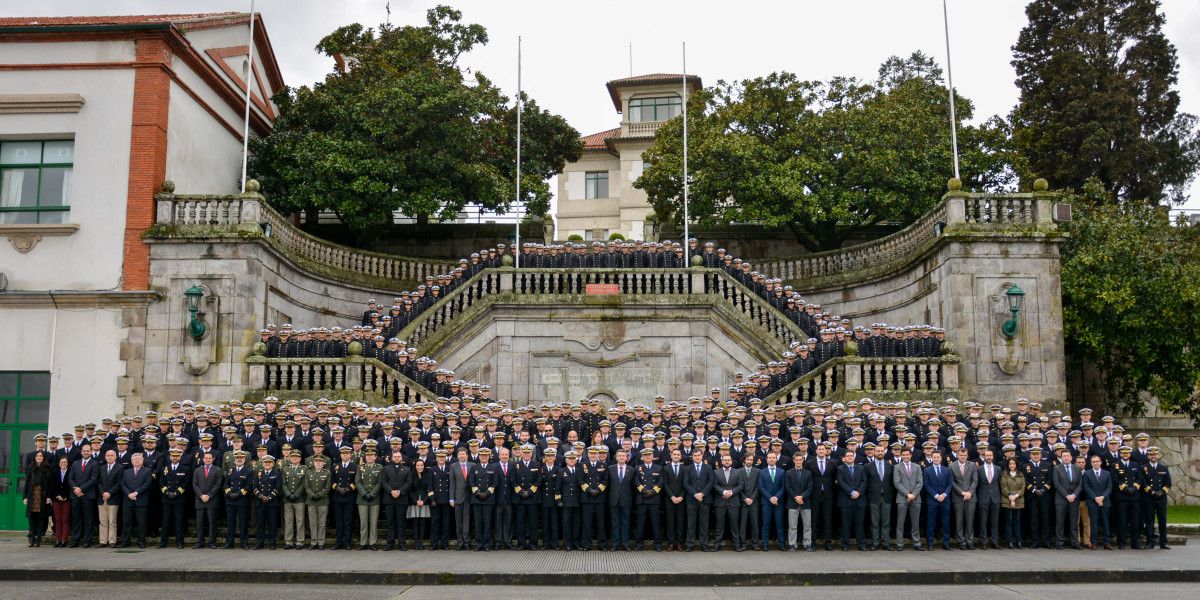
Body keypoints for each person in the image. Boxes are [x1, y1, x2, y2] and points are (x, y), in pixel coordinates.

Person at [683, 447, 714, 552]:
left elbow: (711, 482)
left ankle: (704, 544)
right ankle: (690, 544)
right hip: (692, 500)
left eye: (699, 455)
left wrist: (702, 494)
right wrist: (695, 494)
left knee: (704, 523)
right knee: (691, 523)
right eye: (695, 455)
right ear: (692, 457)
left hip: (705, 500)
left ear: (702, 456)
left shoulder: (708, 468)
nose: (697, 457)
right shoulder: (687, 468)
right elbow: (686, 483)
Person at [893, 447, 924, 551]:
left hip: (916, 498)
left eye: (907, 455)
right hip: (902, 498)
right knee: (900, 522)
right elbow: (897, 483)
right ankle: (900, 543)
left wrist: (914, 494)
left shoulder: (917, 467)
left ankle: (916, 543)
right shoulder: (897, 467)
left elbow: (920, 482)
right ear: (901, 456)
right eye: (904, 455)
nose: (906, 456)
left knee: (915, 522)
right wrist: (907, 494)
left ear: (911, 455)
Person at [865, 443, 895, 551]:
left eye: (882, 451)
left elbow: (892, 482)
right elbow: (866, 483)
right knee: (874, 522)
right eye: (878, 451)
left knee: (886, 522)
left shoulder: (890, 466)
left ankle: (886, 543)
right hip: (873, 497)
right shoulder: (868, 466)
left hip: (887, 497)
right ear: (874, 452)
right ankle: (875, 543)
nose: (880, 453)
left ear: (884, 452)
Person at [836, 449, 867, 551]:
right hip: (845, 500)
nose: (850, 457)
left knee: (860, 524)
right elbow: (841, 483)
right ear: (844, 458)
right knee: (846, 524)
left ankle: (861, 544)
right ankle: (845, 544)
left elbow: (864, 482)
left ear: (854, 457)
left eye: (851, 455)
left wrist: (858, 492)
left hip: (859, 500)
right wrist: (851, 492)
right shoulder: (840, 469)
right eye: (848, 455)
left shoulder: (861, 468)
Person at [158, 447, 189, 549]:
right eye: (173, 456)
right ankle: (163, 542)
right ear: (170, 457)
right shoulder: (164, 468)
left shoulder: (185, 469)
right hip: (167, 498)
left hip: (178, 498)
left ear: (180, 457)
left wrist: (176, 493)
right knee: (165, 521)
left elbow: (186, 483)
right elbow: (161, 482)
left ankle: (179, 542)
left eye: (177, 456)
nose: (175, 457)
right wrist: (167, 492)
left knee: (178, 521)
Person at [382, 450, 413, 550]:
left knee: (401, 523)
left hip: (402, 499)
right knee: (390, 523)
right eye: (395, 456)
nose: (396, 458)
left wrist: (400, 491)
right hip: (389, 499)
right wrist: (391, 491)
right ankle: (389, 544)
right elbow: (383, 482)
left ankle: (402, 544)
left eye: (398, 457)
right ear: (392, 458)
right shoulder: (385, 469)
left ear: (401, 458)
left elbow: (409, 483)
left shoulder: (407, 469)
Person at [1141, 447, 1171, 549]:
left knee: (1162, 521)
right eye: (1151, 454)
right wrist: (1151, 491)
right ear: (1148, 456)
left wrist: (1161, 492)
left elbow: (1168, 483)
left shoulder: (1164, 468)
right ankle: (1150, 542)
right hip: (1149, 498)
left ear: (1158, 455)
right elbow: (1143, 483)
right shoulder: (1143, 467)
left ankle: (1163, 542)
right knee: (1149, 521)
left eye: (1155, 454)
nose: (1153, 456)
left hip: (1161, 498)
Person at [192, 450, 223, 548]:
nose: (208, 460)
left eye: (210, 458)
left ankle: (212, 542)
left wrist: (209, 495)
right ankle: (199, 542)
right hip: (200, 500)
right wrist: (201, 495)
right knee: (200, 523)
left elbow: (218, 485)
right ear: (203, 459)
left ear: (213, 459)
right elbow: (194, 484)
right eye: (206, 458)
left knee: (212, 523)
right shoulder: (197, 470)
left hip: (212, 500)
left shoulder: (218, 470)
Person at [1053, 448, 1082, 550]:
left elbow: (1080, 484)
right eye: (1064, 456)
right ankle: (1059, 542)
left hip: (1074, 499)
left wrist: (1074, 495)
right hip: (1061, 499)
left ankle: (1074, 542)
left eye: (1067, 455)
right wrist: (1066, 495)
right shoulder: (1057, 468)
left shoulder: (1077, 468)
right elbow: (1056, 484)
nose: (1066, 457)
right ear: (1061, 457)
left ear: (1071, 457)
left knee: (1073, 522)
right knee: (1060, 522)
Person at [1082, 453, 1113, 550]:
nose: (1095, 463)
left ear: (1100, 462)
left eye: (1097, 461)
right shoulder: (1087, 473)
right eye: (1093, 462)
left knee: (1105, 522)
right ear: (1091, 463)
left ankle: (1107, 543)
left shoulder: (1106, 473)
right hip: (1092, 501)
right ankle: (1094, 542)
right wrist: (1095, 498)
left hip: (1105, 501)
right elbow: (1086, 487)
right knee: (1094, 523)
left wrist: (1102, 497)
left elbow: (1109, 487)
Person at [607, 448, 636, 551]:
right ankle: (615, 544)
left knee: (626, 522)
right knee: (614, 523)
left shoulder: (632, 470)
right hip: (613, 500)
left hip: (626, 500)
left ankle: (625, 543)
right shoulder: (610, 468)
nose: (621, 457)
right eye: (619, 456)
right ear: (616, 457)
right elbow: (607, 485)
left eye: (623, 456)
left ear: (626, 457)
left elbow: (633, 487)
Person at [950, 446, 978, 550]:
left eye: (964, 455)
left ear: (967, 456)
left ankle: (969, 541)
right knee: (959, 520)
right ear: (957, 455)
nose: (963, 457)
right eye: (961, 455)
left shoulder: (972, 465)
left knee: (970, 520)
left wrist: (969, 492)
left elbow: (975, 481)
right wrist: (962, 492)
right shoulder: (952, 466)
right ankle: (961, 541)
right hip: (958, 497)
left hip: (971, 497)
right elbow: (952, 482)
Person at [784, 451, 813, 551]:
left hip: (805, 503)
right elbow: (788, 488)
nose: (798, 461)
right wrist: (796, 497)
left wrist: (802, 497)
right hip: (792, 503)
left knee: (807, 526)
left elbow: (810, 488)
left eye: (800, 460)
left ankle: (807, 544)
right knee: (792, 526)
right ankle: (792, 544)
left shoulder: (808, 473)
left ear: (803, 460)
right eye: (796, 460)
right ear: (793, 460)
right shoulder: (788, 473)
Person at [224, 450, 253, 549]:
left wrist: (238, 494)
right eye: (237, 458)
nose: (239, 459)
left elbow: (249, 486)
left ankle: (244, 543)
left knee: (243, 523)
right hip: (230, 500)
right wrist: (230, 493)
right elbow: (226, 484)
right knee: (230, 522)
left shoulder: (248, 471)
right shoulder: (230, 470)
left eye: (241, 458)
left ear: (244, 459)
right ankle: (229, 542)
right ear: (234, 460)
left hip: (242, 500)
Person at [331, 446, 358, 550]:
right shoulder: (335, 466)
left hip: (349, 497)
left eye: (347, 453)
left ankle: (347, 542)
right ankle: (338, 542)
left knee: (348, 521)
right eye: (343, 453)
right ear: (340, 455)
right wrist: (337, 488)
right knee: (338, 521)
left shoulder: (354, 466)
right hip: (337, 497)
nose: (345, 455)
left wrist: (347, 489)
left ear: (350, 455)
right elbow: (332, 481)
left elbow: (356, 481)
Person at [924, 450, 952, 550]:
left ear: (941, 458)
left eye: (938, 457)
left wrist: (944, 495)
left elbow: (950, 484)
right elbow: (926, 485)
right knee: (931, 522)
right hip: (932, 500)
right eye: (934, 457)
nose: (936, 459)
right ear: (931, 458)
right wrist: (936, 495)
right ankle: (930, 542)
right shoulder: (927, 470)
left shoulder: (947, 470)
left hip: (945, 499)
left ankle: (946, 542)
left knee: (946, 522)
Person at [23, 451, 52, 547]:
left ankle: (38, 540)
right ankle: (32, 539)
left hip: (42, 496)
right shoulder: (30, 467)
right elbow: (26, 483)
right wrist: (25, 497)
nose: (39, 457)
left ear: (43, 458)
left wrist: (48, 497)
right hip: (32, 495)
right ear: (34, 458)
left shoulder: (47, 468)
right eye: (37, 456)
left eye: (41, 456)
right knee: (32, 519)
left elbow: (49, 485)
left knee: (40, 518)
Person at [254, 454, 282, 549]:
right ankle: (260, 542)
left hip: (272, 503)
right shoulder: (258, 473)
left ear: (273, 464)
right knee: (260, 524)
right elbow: (254, 487)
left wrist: (269, 497)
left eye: (269, 462)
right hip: (260, 502)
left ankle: (272, 543)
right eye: (265, 462)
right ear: (262, 463)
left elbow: (278, 488)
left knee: (272, 524)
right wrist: (261, 496)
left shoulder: (277, 473)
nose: (267, 464)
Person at [303, 453, 331, 550]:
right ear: (313, 462)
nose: (318, 463)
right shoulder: (308, 472)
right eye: (316, 461)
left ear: (323, 463)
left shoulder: (327, 473)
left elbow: (327, 487)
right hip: (311, 501)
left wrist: (319, 495)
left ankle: (321, 542)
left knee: (322, 522)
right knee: (313, 522)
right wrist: (312, 495)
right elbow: (306, 486)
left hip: (323, 501)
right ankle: (313, 542)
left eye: (320, 461)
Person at [976, 449, 1002, 549]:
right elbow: (977, 485)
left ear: (993, 456)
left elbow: (999, 483)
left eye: (991, 455)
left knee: (995, 521)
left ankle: (995, 541)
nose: (989, 457)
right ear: (984, 456)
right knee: (983, 521)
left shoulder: (998, 469)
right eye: (987, 455)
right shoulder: (979, 469)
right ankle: (984, 542)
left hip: (995, 498)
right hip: (983, 497)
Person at [661, 448, 687, 550]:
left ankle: (679, 542)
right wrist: (672, 496)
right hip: (669, 499)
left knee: (680, 521)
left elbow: (685, 484)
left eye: (678, 454)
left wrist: (681, 496)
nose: (676, 456)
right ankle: (671, 542)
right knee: (670, 521)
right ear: (671, 455)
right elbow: (665, 484)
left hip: (681, 499)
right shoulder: (666, 468)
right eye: (674, 454)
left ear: (680, 456)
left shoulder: (685, 469)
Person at [999, 457, 1025, 549]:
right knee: (1008, 521)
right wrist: (1011, 497)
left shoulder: (1021, 474)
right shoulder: (1004, 474)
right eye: (1010, 464)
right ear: (1008, 465)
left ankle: (1019, 541)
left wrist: (1015, 497)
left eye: (1014, 464)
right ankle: (1009, 541)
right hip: (1007, 500)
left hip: (1018, 500)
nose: (1012, 465)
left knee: (1017, 521)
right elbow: (1004, 488)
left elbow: (1023, 487)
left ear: (1016, 465)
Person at [407, 457, 431, 550]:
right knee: (415, 522)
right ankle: (416, 543)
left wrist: (424, 501)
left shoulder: (427, 474)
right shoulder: (411, 475)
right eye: (418, 465)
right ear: (415, 466)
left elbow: (429, 489)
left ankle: (420, 542)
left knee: (422, 522)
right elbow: (409, 490)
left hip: (424, 501)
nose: (420, 467)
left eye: (421, 465)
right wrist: (416, 501)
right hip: (414, 501)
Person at [49, 455, 72, 547]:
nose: (63, 464)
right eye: (61, 462)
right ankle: (58, 540)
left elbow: (70, 486)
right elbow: (52, 486)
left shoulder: (71, 472)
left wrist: (65, 496)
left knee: (65, 519)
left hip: (67, 499)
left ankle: (64, 540)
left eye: (65, 462)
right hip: (56, 499)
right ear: (59, 463)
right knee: (57, 519)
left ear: (67, 463)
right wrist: (57, 495)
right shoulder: (55, 472)